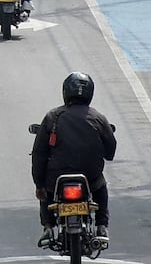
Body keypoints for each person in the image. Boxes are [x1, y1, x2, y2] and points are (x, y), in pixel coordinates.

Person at [32, 71, 117, 246]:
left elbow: (39, 155)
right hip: (90, 176)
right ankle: (102, 225)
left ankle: (47, 227)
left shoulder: (52, 117)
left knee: (46, 193)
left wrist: (39, 185)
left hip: (56, 179)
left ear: (65, 92)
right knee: (101, 187)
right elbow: (110, 152)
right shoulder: (98, 118)